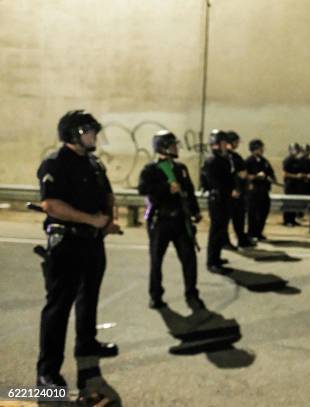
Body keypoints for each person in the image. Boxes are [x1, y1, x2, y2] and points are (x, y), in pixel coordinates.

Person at [36, 110, 121, 388]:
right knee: (58, 308)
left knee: (89, 298)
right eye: (89, 131)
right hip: (67, 244)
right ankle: (47, 371)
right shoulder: (55, 163)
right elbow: (51, 205)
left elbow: (107, 194)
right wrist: (92, 220)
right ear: (73, 134)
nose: (94, 136)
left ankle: (86, 345)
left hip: (93, 243)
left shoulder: (94, 164)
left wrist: (109, 221)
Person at [137, 130, 205, 310]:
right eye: (173, 144)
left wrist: (195, 212)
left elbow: (189, 191)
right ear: (163, 147)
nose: (176, 147)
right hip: (160, 221)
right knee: (156, 260)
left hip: (180, 221)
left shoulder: (180, 168)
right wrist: (166, 187)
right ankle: (155, 295)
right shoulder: (151, 169)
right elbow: (143, 189)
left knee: (189, 259)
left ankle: (192, 293)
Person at [201, 130, 234, 273]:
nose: (227, 145)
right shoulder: (212, 160)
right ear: (219, 144)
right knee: (216, 230)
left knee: (221, 230)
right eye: (224, 142)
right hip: (217, 199)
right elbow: (212, 181)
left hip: (224, 198)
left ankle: (217, 257)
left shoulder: (223, 158)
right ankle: (212, 262)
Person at [225, 130, 255, 248]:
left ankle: (241, 239)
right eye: (236, 142)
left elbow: (243, 172)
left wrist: (246, 183)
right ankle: (225, 241)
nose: (237, 144)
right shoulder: (227, 157)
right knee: (227, 219)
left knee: (239, 217)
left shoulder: (235, 156)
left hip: (239, 192)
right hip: (231, 193)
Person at [245, 139, 277, 241]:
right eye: (260, 148)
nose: (262, 150)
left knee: (264, 211)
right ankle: (251, 233)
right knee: (253, 213)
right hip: (253, 191)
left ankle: (259, 232)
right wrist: (256, 176)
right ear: (254, 149)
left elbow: (270, 172)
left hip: (264, 191)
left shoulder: (264, 161)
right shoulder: (248, 161)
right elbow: (245, 176)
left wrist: (272, 178)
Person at [282, 142, 303, 226]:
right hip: (290, 184)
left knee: (294, 202)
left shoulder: (297, 160)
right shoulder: (288, 160)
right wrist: (296, 176)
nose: (297, 151)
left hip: (296, 185)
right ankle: (287, 220)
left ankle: (292, 219)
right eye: (295, 149)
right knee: (288, 203)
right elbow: (285, 173)